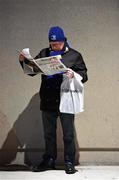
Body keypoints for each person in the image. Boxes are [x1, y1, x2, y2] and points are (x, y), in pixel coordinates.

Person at [19, 26, 88, 174]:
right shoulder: (44, 53)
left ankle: (69, 162)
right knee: (49, 134)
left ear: (63, 40)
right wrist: (24, 62)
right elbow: (32, 71)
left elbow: (84, 75)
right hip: (48, 99)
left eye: (57, 43)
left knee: (68, 134)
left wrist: (73, 74)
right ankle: (49, 160)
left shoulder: (74, 55)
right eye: (52, 43)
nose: (54, 46)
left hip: (65, 99)